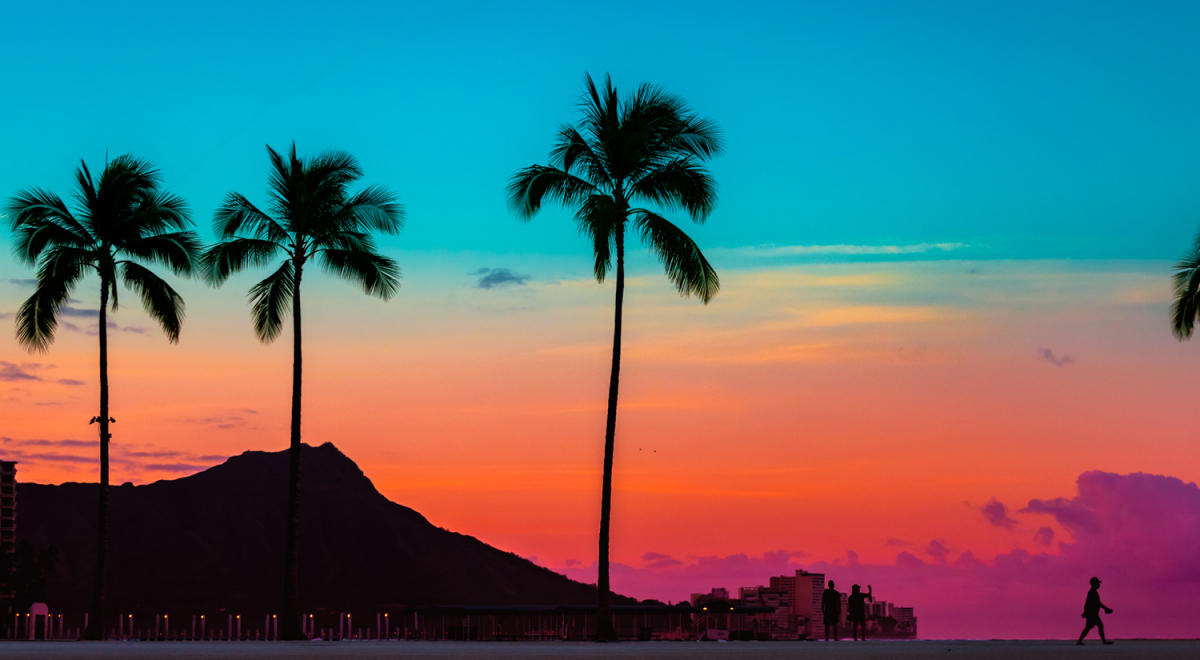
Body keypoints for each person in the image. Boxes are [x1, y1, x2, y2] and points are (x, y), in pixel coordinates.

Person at [1076, 577, 1113, 645]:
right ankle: (1103, 641)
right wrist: (1106, 608)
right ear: (1094, 584)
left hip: (1092, 613)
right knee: (1099, 625)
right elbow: (1096, 603)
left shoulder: (1092, 592)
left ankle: (1080, 640)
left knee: (1089, 627)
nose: (1099, 584)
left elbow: (1091, 603)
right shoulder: (1092, 592)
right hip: (1092, 614)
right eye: (1097, 583)